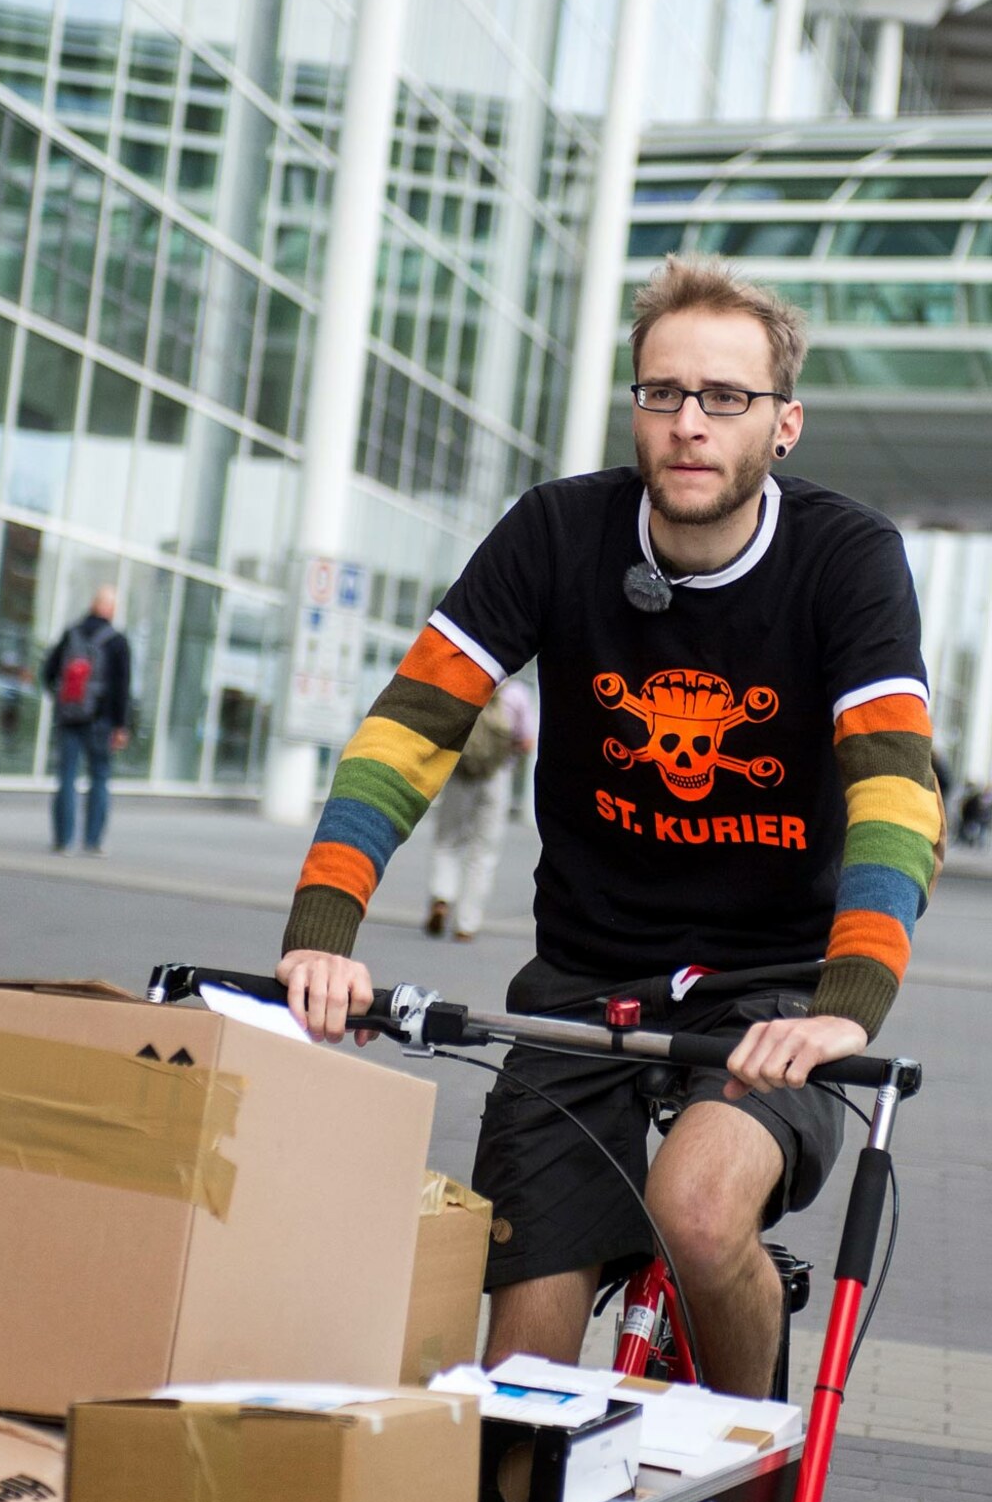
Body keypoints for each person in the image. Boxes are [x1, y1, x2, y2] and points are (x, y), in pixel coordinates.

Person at [275, 255, 943, 1399]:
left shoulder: (844, 557)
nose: (688, 424)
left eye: (723, 399)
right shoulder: (554, 532)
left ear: (781, 424)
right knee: (520, 1378)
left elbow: (891, 783)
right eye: (662, 393)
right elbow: (411, 726)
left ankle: (745, 1481)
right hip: (585, 984)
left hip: (773, 991)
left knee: (694, 1207)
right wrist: (322, 927)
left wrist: (849, 1002)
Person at [424, 677, 537, 941]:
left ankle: (442, 897)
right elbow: (527, 741)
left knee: (448, 840)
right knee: (483, 851)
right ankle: (467, 923)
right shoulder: (517, 693)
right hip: (497, 776)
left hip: (459, 772)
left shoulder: (465, 681)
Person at [42, 586, 131, 854]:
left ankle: (63, 839)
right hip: (101, 721)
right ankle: (92, 841)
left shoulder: (72, 634)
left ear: (93, 605)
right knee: (100, 777)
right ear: (111, 609)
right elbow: (122, 687)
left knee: (67, 777)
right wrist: (120, 725)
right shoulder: (117, 641)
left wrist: (64, 701)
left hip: (70, 717)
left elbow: (48, 673)